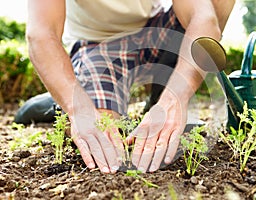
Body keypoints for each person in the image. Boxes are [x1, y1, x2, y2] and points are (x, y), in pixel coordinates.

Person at [25, 0, 235, 173]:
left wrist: (175, 96)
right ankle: (64, 97)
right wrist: (78, 107)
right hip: (100, 43)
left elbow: (203, 18)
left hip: (155, 29)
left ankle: (161, 96)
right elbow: (42, 34)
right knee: (104, 134)